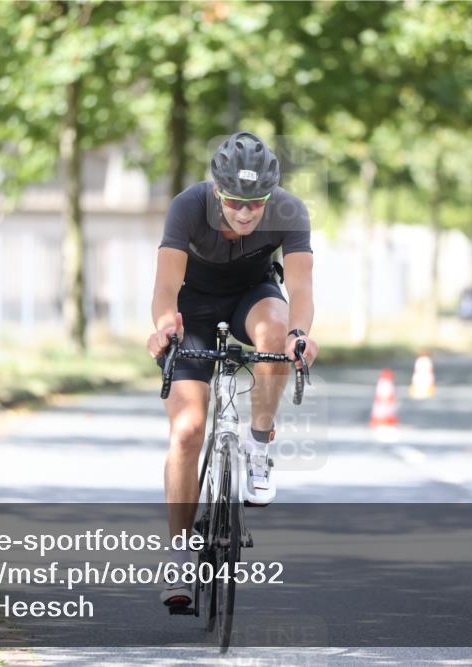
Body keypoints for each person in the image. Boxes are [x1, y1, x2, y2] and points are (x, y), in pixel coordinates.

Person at [146, 131, 319, 608]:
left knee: (277, 332)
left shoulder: (290, 210)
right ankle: (180, 552)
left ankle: (259, 444)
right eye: (235, 202)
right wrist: (165, 327)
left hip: (252, 297)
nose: (245, 213)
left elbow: (300, 288)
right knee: (187, 429)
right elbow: (165, 285)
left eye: (256, 203)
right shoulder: (188, 206)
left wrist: (300, 334)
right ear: (217, 190)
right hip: (192, 310)